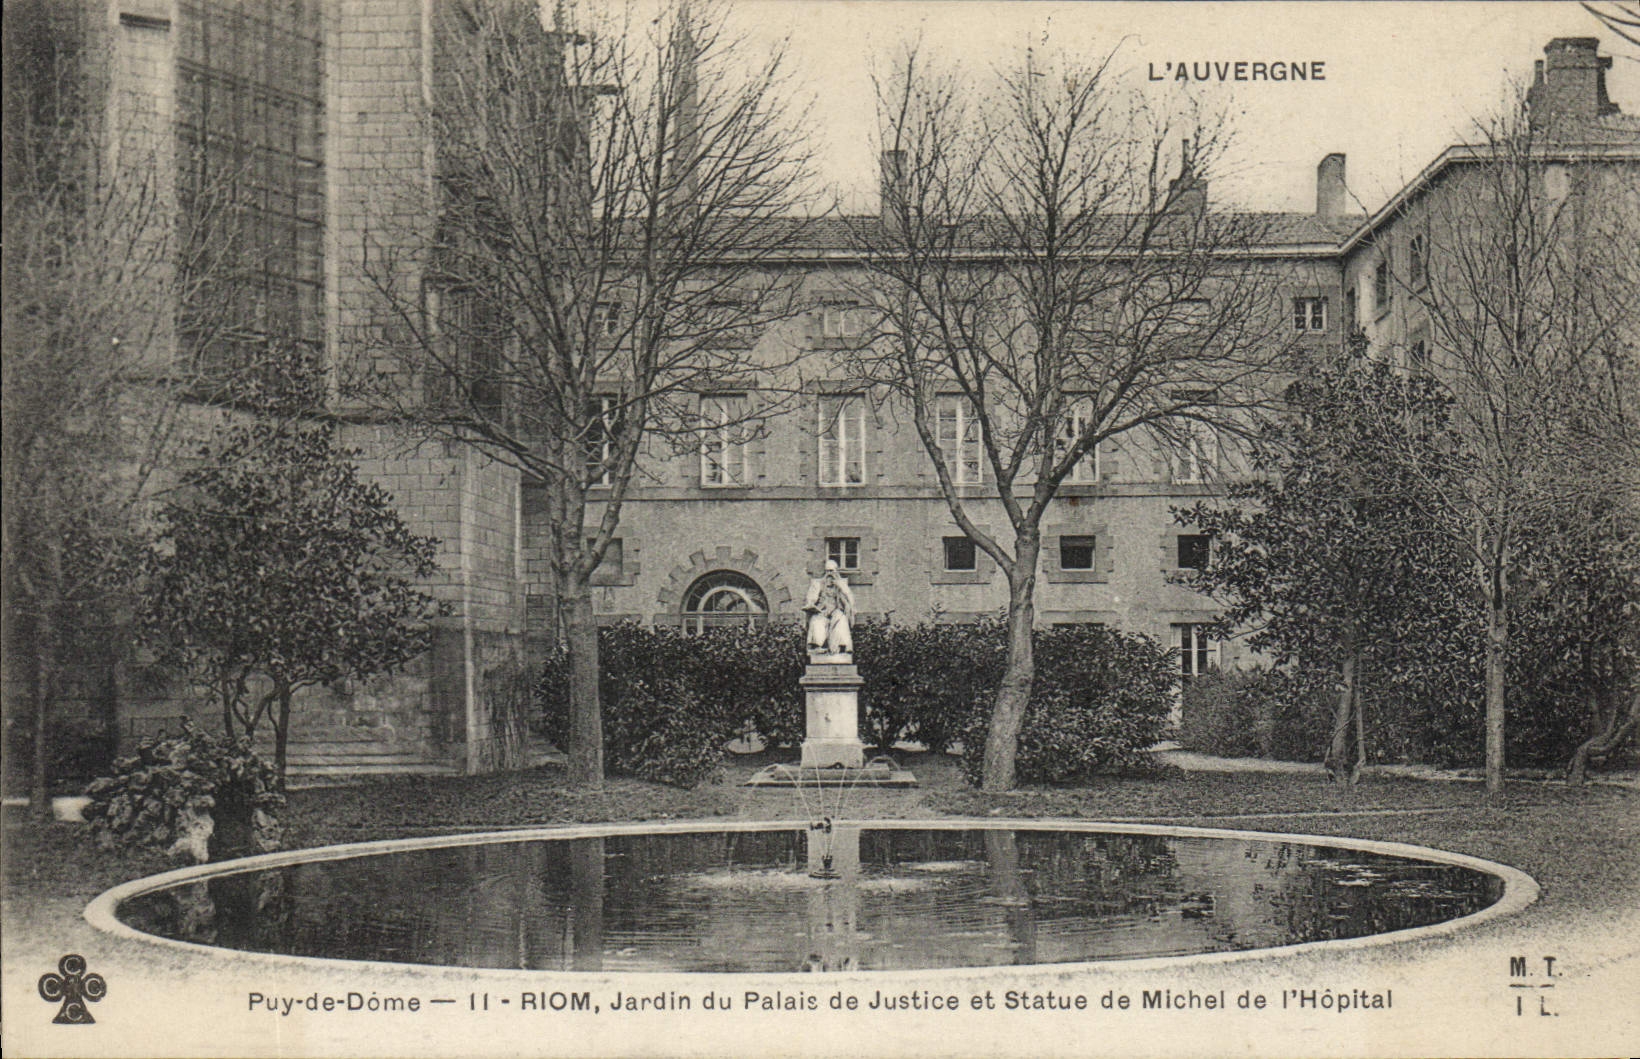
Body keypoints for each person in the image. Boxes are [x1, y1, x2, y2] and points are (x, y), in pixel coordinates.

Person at [804, 560, 854, 659]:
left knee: (842, 620)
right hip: (822, 612)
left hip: (836, 611)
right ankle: (818, 646)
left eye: (832, 571)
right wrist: (813, 604)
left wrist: (840, 586)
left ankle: (841, 648)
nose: (829, 574)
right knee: (816, 621)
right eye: (827, 571)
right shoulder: (818, 584)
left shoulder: (840, 586)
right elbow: (811, 599)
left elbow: (849, 601)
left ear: (836, 572)